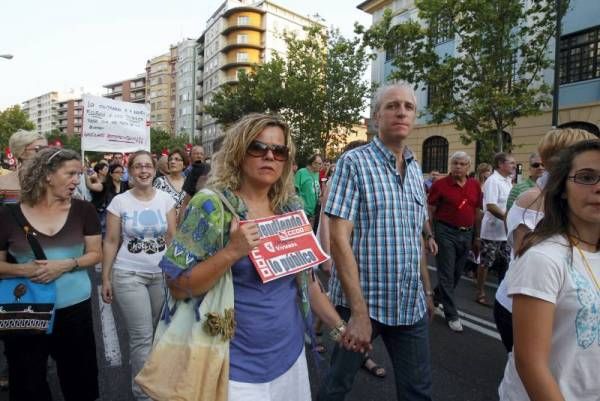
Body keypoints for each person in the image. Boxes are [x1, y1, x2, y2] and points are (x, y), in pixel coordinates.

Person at [160, 113, 350, 400]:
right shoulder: (211, 206)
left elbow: (308, 282)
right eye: (257, 147)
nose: (269, 156)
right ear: (239, 152)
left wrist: (340, 329)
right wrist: (232, 252)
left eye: (279, 150)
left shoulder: (291, 207)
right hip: (233, 367)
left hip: (291, 359)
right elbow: (176, 283)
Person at [317, 83, 437, 401]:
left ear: (415, 116)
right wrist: (358, 313)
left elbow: (414, 237)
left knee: (418, 391)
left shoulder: (415, 169)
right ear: (376, 115)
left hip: (409, 306)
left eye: (408, 107)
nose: (401, 112)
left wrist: (426, 290)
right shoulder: (354, 163)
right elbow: (339, 239)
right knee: (337, 386)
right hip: (361, 305)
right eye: (392, 106)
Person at [498, 139, 600, 401]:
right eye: (587, 177)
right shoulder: (543, 258)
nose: (598, 187)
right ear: (562, 187)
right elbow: (531, 365)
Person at [0, 148, 102, 401]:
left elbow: (95, 254)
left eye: (78, 174)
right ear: (47, 175)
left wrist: (66, 264)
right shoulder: (8, 216)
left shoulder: (84, 210)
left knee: (81, 384)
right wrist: (24, 269)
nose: (76, 181)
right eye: (70, 174)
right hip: (26, 311)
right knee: (28, 385)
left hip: (75, 311)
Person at [101, 150, 176, 401]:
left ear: (155, 171)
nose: (144, 171)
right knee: (141, 336)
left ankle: (155, 382)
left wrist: (176, 273)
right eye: (138, 167)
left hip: (161, 275)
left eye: (148, 167)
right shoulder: (120, 202)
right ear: (130, 171)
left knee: (158, 333)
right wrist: (106, 278)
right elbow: (111, 241)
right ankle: (143, 394)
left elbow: (172, 238)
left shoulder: (166, 200)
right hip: (128, 274)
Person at [428, 151, 482, 332]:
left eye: (461, 164)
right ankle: (452, 314)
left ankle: (434, 298)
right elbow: (431, 210)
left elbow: (477, 211)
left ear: (468, 166)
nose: (458, 166)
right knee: (446, 273)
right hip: (445, 232)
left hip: (467, 233)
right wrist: (430, 235)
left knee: (457, 273)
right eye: (455, 163)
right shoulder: (441, 185)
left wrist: (477, 236)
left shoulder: (475, 185)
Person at [475, 152, 515, 306]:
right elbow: (491, 206)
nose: (513, 165)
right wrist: (508, 218)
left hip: (505, 232)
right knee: (486, 263)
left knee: (506, 263)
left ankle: (502, 293)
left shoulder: (508, 181)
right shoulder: (493, 181)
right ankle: (480, 292)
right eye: (511, 162)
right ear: (500, 164)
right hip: (492, 232)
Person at [0, 130, 48, 206]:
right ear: (21, 153)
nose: (46, 153)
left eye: (47, 149)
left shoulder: (55, 181)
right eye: (39, 149)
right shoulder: (2, 183)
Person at [87, 163, 128, 235]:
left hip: (121, 219)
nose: (120, 174)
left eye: (122, 172)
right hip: (106, 219)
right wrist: (86, 175)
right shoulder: (105, 185)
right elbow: (90, 186)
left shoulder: (126, 185)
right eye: (117, 172)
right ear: (111, 174)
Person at [153, 148, 187, 212]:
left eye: (177, 159)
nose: (172, 162)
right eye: (170, 159)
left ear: (184, 164)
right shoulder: (160, 182)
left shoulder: (189, 182)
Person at [294, 154, 322, 227]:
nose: (321, 166)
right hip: (302, 212)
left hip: (313, 212)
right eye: (319, 164)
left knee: (311, 234)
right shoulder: (301, 172)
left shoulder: (317, 173)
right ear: (313, 164)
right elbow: (294, 191)